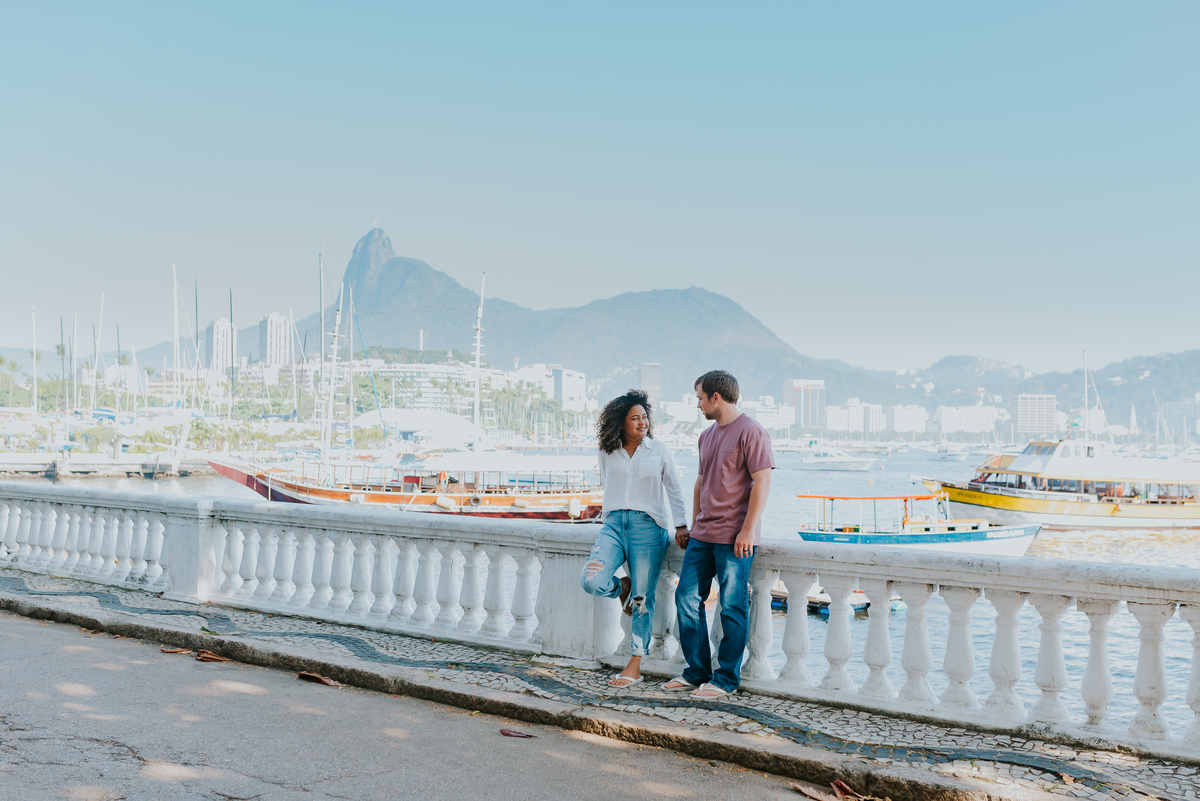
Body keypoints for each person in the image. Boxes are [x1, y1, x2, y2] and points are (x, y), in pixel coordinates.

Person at [665, 370, 774, 699]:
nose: (697, 404)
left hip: (734, 538)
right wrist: (696, 521)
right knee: (685, 597)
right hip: (704, 534)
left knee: (731, 608)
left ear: (716, 397)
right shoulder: (706, 436)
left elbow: (762, 482)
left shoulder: (752, 431)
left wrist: (747, 529)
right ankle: (697, 670)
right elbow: (701, 481)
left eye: (700, 397)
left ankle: (726, 678)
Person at [580, 389, 688, 688]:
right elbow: (607, 484)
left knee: (643, 599)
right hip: (613, 524)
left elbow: (674, 489)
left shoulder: (660, 450)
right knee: (592, 579)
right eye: (634, 418)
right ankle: (621, 586)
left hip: (648, 526)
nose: (642, 423)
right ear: (620, 422)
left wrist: (680, 525)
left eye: (644, 417)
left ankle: (635, 664)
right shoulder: (606, 450)